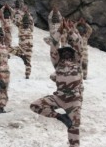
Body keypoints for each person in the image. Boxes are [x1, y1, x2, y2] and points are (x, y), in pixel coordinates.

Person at [30, 19, 83, 147]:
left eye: (68, 52)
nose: (65, 53)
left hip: (74, 101)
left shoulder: (77, 62)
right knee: (35, 106)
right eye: (63, 52)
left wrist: (70, 31)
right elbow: (54, 45)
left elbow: (78, 44)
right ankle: (61, 117)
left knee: (74, 129)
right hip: (58, 97)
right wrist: (59, 31)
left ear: (72, 54)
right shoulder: (57, 64)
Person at [9, 9, 34, 79]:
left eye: (27, 24)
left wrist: (28, 13)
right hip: (21, 48)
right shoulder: (20, 27)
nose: (26, 25)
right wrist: (15, 12)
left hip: (28, 49)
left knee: (28, 62)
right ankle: (21, 56)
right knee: (7, 48)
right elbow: (13, 20)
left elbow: (31, 21)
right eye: (24, 23)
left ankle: (27, 76)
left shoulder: (31, 28)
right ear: (22, 23)